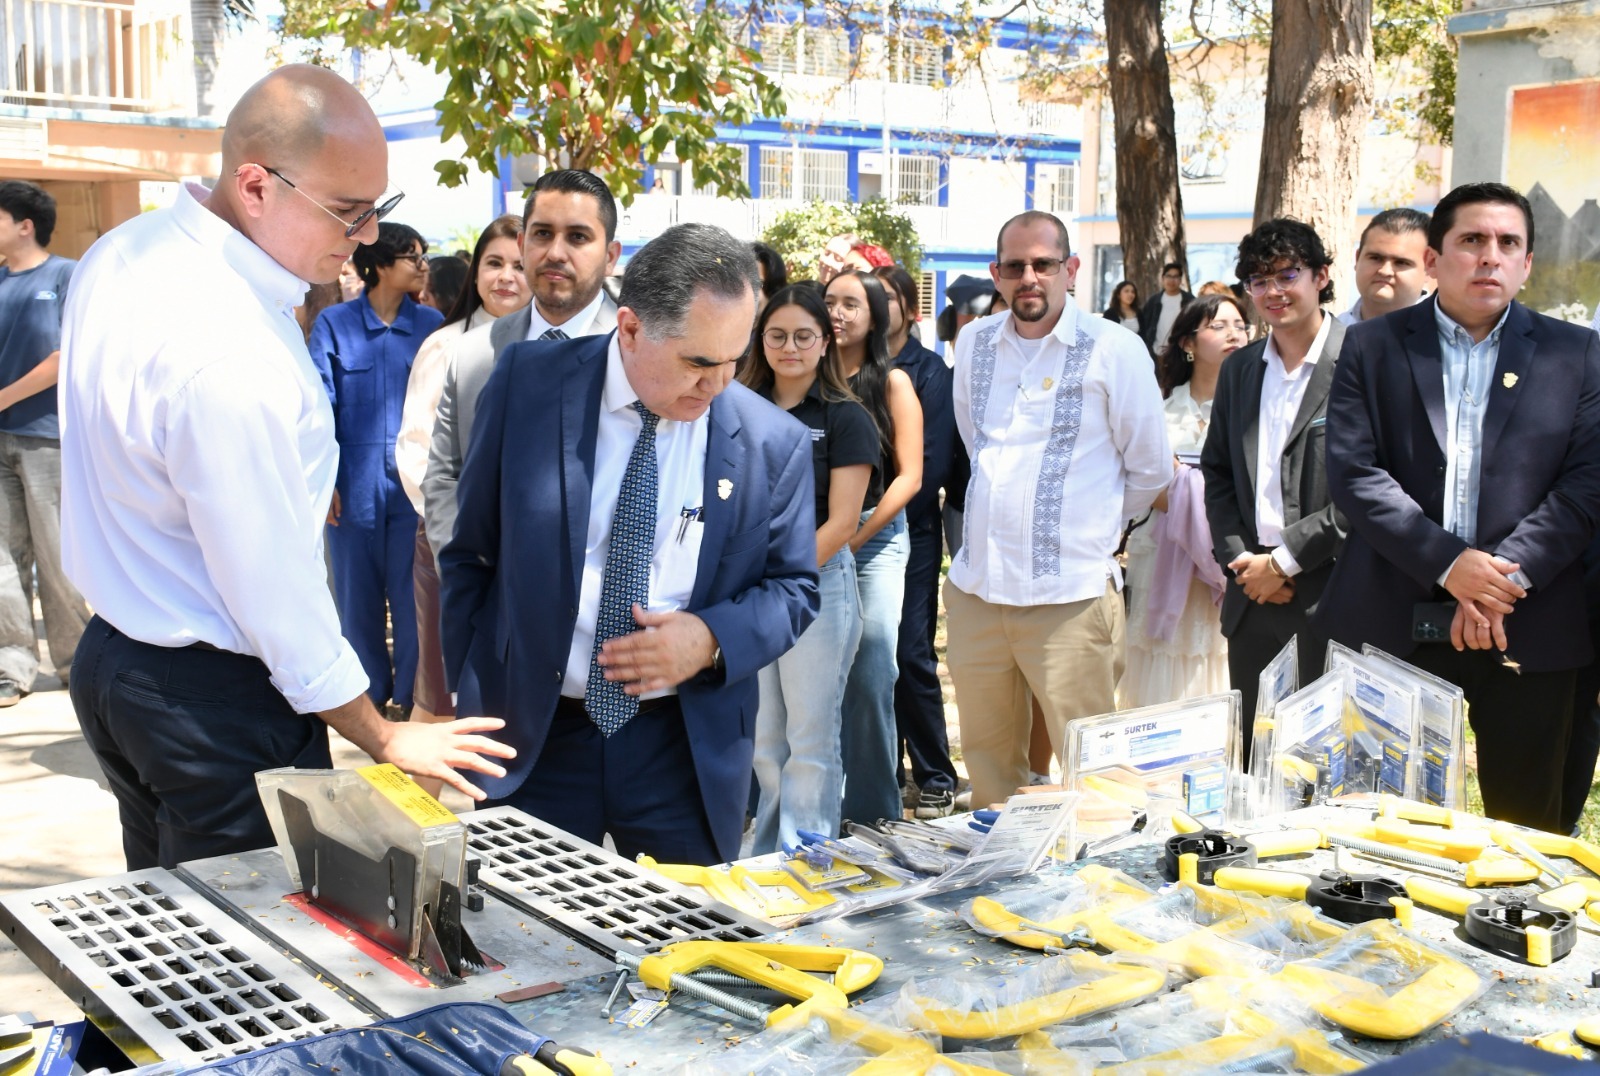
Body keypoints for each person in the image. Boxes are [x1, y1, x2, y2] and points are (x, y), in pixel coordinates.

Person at [59, 64, 512, 871]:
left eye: (379, 206)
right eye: (348, 210)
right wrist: (380, 733)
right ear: (256, 187)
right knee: (249, 937)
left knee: (174, 923)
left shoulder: (123, 251)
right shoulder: (225, 346)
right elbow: (268, 587)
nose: (368, 235)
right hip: (214, 698)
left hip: (118, 659)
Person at [440, 224, 819, 865]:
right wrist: (470, 688)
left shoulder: (770, 441)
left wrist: (710, 639)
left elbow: (794, 588)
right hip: (534, 737)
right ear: (632, 328)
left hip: (683, 748)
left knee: (689, 926)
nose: (719, 384)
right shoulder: (529, 383)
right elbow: (471, 552)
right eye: (698, 363)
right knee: (527, 923)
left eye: (734, 358)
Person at [1316, 182, 1600, 832]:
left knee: (1525, 835)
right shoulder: (1372, 346)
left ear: (1527, 263)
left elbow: (1586, 484)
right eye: (1471, 240)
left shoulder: (1576, 353)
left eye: (1508, 243)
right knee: (1384, 830)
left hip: (1527, 621)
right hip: (1394, 618)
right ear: (1434, 259)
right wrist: (1450, 565)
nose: (1490, 256)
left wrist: (1500, 580)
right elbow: (1355, 474)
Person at [947, 210, 1170, 809]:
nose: (1030, 278)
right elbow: (977, 444)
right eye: (1015, 266)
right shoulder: (974, 343)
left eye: (1044, 264)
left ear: (1070, 270)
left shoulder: (1114, 348)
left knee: (1093, 781)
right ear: (996, 273)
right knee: (990, 773)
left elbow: (1151, 468)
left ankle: (1090, 871)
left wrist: (1088, 530)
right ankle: (1001, 866)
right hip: (978, 592)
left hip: (1069, 596)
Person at [422, 170, 621, 565]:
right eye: (542, 234)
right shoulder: (473, 355)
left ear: (611, 257)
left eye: (578, 237)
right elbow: (445, 478)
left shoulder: (637, 353)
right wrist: (469, 574)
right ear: (522, 243)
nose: (556, 253)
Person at [1201, 219, 1346, 748]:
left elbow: (1371, 488)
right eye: (1259, 281)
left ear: (1320, 276)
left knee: (1325, 760)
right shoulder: (1241, 369)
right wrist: (1241, 560)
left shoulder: (1362, 359)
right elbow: (1217, 471)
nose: (1274, 291)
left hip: (1331, 592)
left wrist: (1284, 562)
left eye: (1288, 275)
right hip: (1252, 593)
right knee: (1255, 755)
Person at [741, 284, 875, 851]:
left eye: (803, 336)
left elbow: (842, 523)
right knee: (765, 741)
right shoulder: (735, 406)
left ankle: (806, 859)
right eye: (777, 336)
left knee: (811, 741)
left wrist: (780, 580)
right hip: (748, 593)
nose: (789, 348)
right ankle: (767, 858)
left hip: (816, 590)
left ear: (825, 342)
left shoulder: (847, 418)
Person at [396, 214, 529, 748]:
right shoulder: (446, 346)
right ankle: (405, 807)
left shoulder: (556, 348)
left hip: (528, 553)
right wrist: (456, 535)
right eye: (494, 263)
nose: (506, 277)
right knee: (439, 701)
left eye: (519, 265)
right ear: (476, 273)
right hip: (452, 548)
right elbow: (416, 450)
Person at [309, 221, 442, 714]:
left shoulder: (432, 325)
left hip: (415, 485)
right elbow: (317, 407)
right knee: (356, 596)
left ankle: (409, 697)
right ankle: (367, 697)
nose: (423, 265)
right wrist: (323, 481)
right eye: (413, 256)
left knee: (413, 597)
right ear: (381, 265)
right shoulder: (335, 325)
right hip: (352, 483)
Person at [825, 270, 923, 824]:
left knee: (870, 675)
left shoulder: (892, 382)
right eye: (829, 301)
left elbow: (910, 477)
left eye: (851, 304)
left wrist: (855, 537)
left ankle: (874, 818)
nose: (837, 313)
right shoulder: (804, 374)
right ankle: (815, 812)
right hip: (813, 536)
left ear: (875, 316)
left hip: (874, 537)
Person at [1121, 295, 1247, 709]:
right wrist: (1181, 490)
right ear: (1188, 343)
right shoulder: (1159, 409)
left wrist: (1182, 482)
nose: (1233, 334)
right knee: (1163, 653)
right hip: (1163, 551)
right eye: (1219, 326)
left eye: (1240, 325)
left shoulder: (1253, 410)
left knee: (1218, 653)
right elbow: (1142, 482)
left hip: (1228, 552)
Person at [874, 265, 961, 817]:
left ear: (911, 308)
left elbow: (929, 468)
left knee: (910, 653)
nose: (876, 306)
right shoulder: (847, 366)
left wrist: (868, 511)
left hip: (912, 530)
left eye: (887, 297)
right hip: (852, 532)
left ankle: (935, 774)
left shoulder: (929, 372)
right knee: (868, 659)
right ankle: (884, 773)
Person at [0, 180, 90, 705]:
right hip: (2, 437)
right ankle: (13, 665)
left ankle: (76, 662)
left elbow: (65, 356)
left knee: (58, 556)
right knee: (4, 558)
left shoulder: (65, 276)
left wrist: (3, 397)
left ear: (24, 225)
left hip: (46, 438)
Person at [1340, 208, 1432, 325]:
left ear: (1429, 267)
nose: (1384, 271)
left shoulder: (1445, 332)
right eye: (1375, 258)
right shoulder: (1329, 332)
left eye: (1401, 262)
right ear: (1357, 259)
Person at [1140, 262, 1195, 356]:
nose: (1171, 280)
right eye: (1168, 276)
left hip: (1181, 353)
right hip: (1156, 352)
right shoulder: (1154, 301)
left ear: (1180, 280)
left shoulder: (1189, 300)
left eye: (1175, 277)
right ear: (1163, 278)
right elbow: (1145, 325)